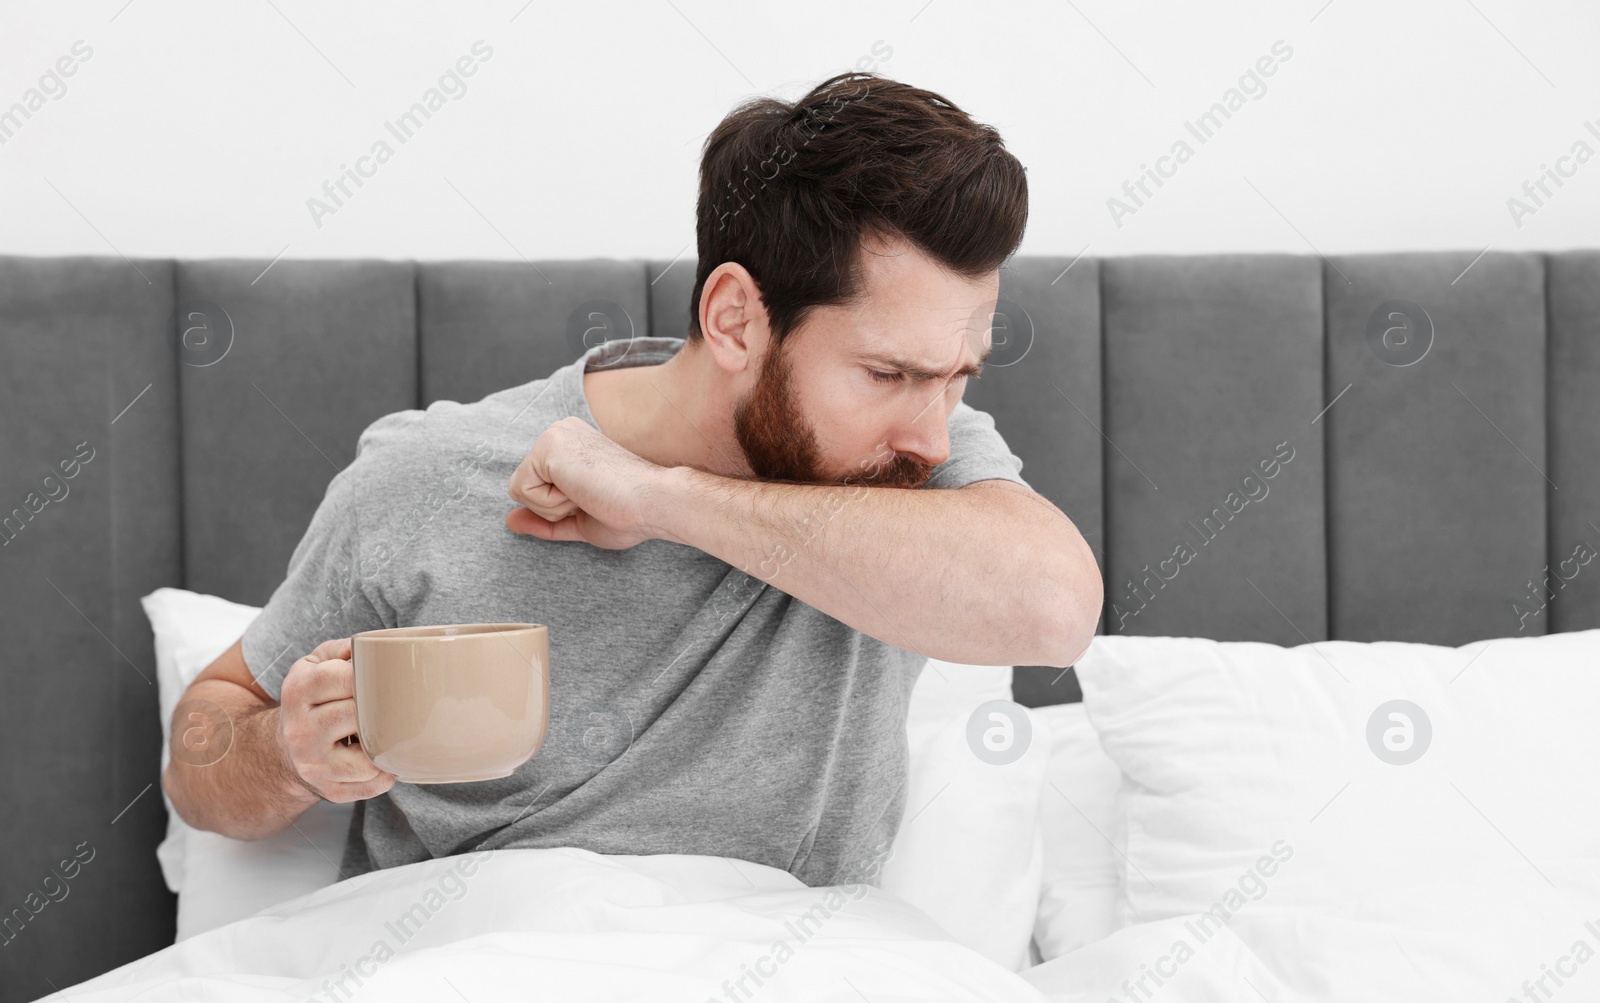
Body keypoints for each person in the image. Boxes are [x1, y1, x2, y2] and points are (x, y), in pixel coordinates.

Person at [162, 72, 1102, 888]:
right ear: (735, 318)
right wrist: (283, 756)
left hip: (797, 994)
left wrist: (661, 500)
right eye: (887, 374)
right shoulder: (430, 476)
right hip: (467, 985)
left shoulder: (914, 464)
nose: (932, 435)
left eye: (957, 376)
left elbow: (1053, 612)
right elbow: (199, 754)